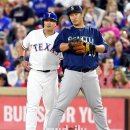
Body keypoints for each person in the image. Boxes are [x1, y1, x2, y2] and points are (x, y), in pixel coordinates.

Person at [46, 5, 110, 130]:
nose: (73, 17)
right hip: (71, 73)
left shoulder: (93, 31)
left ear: (81, 15)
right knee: (60, 106)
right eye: (71, 15)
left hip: (90, 74)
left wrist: (91, 47)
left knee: (97, 107)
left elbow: (105, 47)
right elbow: (56, 47)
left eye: (76, 14)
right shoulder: (66, 32)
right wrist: (70, 45)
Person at [16, 12, 61, 130]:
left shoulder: (60, 38)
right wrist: (22, 59)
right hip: (35, 73)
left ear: (56, 24)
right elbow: (21, 46)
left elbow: (65, 58)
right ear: (43, 22)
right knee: (32, 105)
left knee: (51, 107)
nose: (49, 23)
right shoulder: (33, 34)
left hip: (52, 74)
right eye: (46, 20)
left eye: (51, 21)